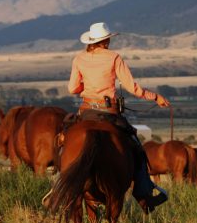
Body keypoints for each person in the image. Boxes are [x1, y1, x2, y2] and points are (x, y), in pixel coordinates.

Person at [68, 22, 170, 211]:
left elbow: (72, 88)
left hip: (87, 110)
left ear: (91, 40)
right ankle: (144, 193)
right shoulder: (114, 57)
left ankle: (59, 185)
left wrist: (88, 86)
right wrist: (155, 97)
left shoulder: (79, 59)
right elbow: (133, 88)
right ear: (106, 40)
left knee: (65, 142)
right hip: (109, 113)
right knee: (136, 148)